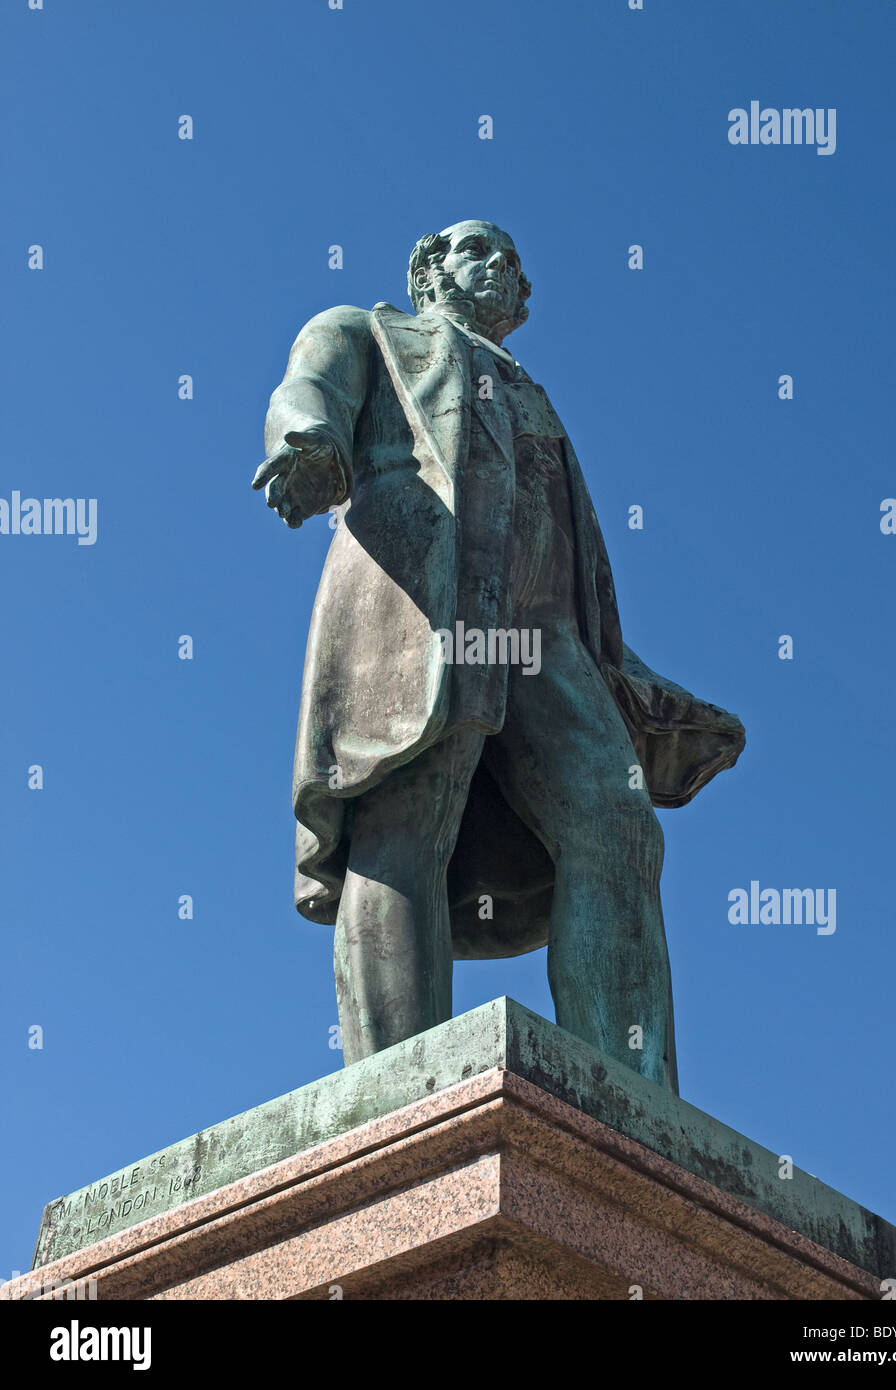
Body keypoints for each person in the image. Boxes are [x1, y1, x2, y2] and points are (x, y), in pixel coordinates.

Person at [253, 220, 744, 1092]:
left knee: (617, 822)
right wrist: (308, 442)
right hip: (425, 592)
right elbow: (308, 386)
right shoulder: (369, 330)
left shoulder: (533, 390)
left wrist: (622, 670)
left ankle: (631, 1098)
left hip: (546, 636)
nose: (510, 269)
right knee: (406, 814)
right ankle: (397, 1093)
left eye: (517, 260)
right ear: (428, 268)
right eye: (485, 250)